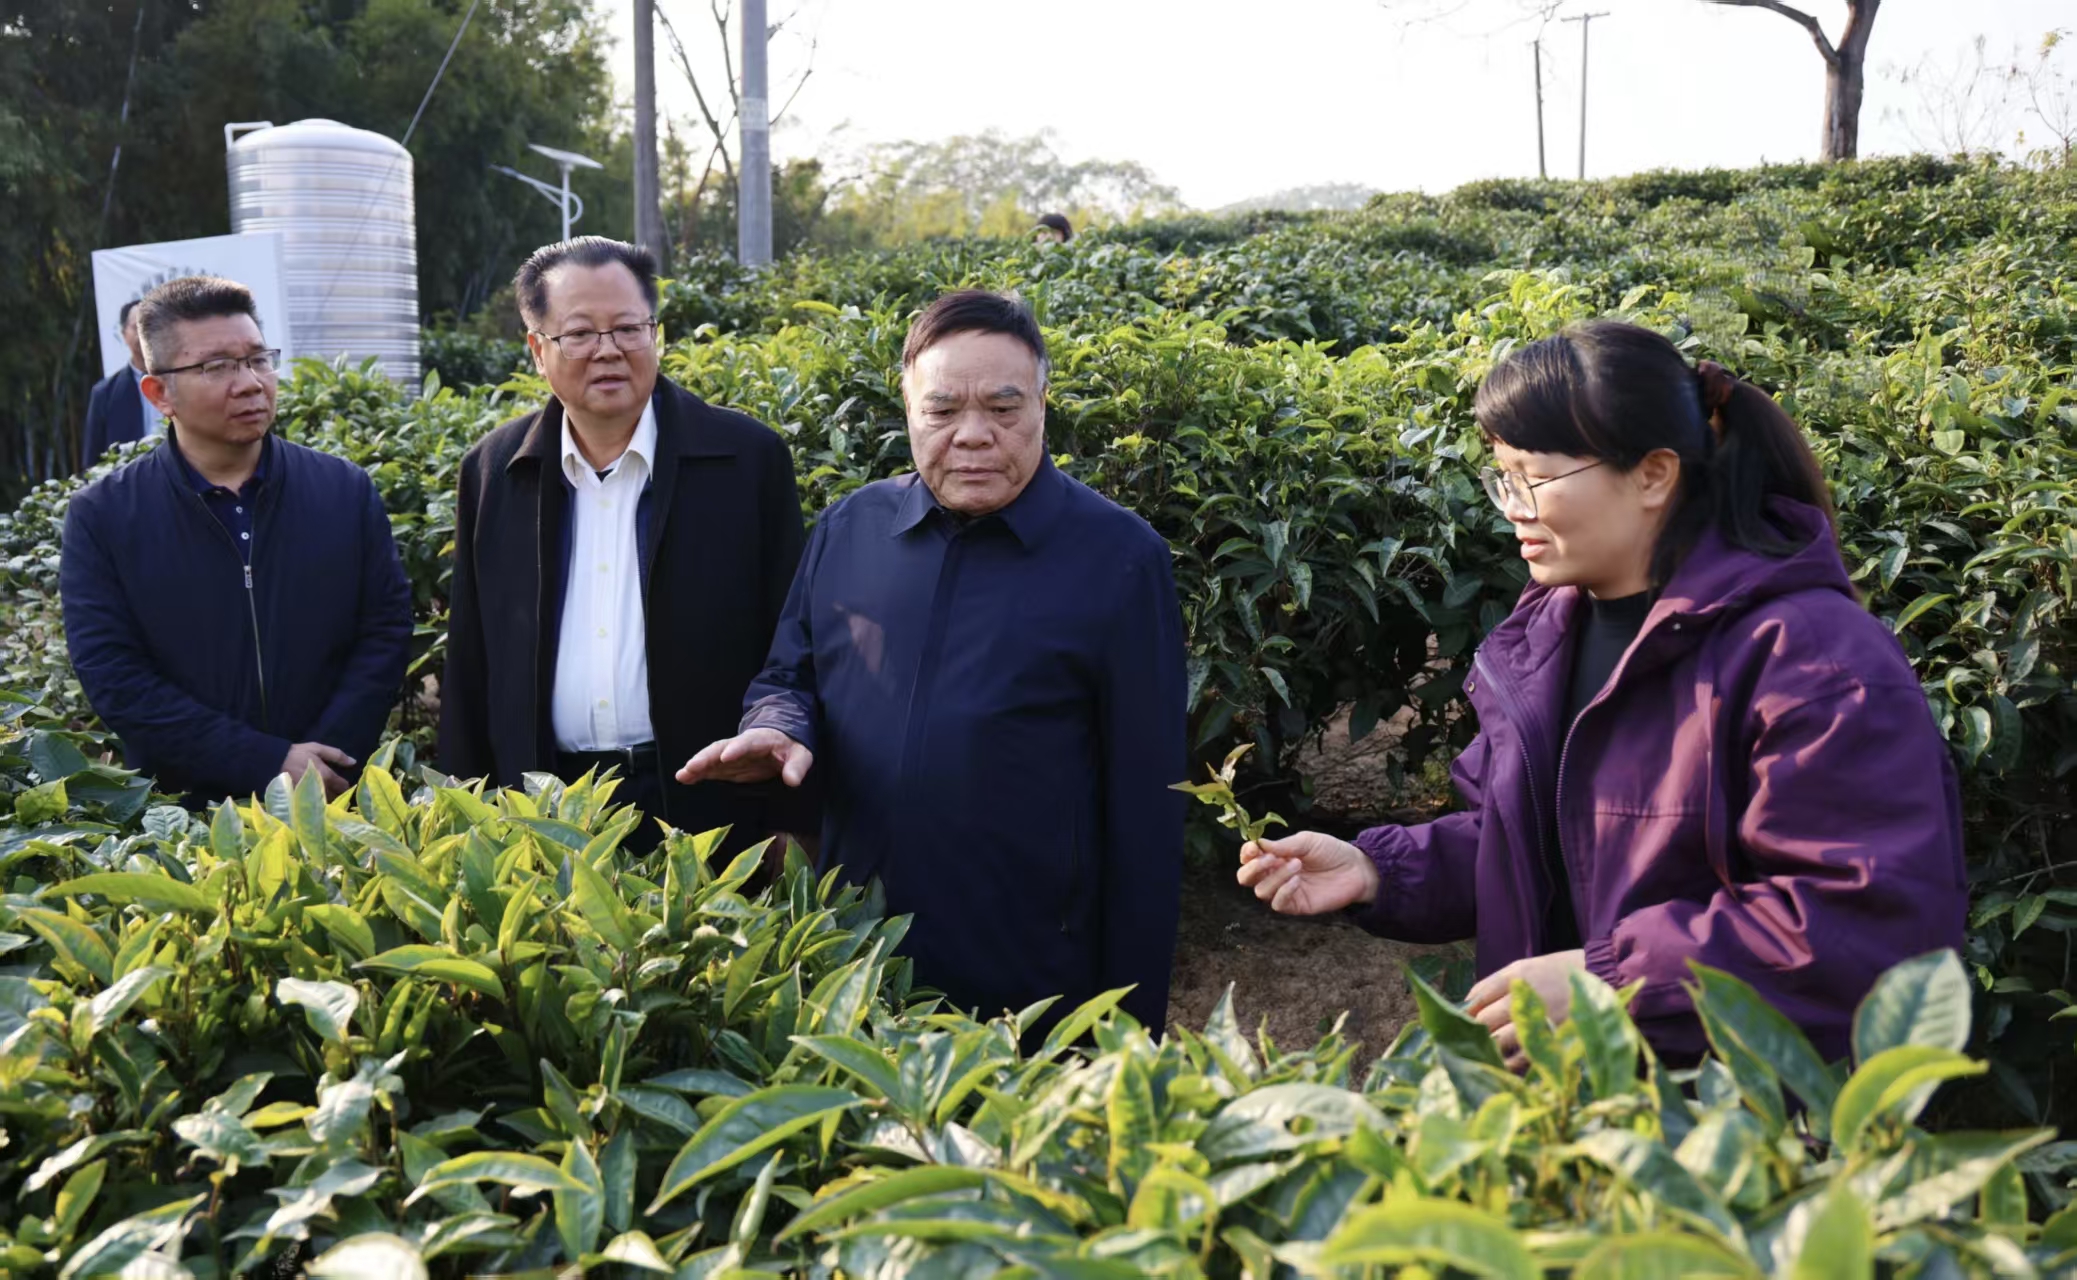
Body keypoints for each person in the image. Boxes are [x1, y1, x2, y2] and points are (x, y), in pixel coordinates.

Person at [1238, 320, 1966, 1068]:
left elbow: (1866, 920)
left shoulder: (1811, 658)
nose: (1512, 505)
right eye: (1501, 477)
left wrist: (1613, 982)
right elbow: (1527, 839)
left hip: (1732, 1112)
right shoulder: (1548, 632)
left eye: (1533, 477)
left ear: (1652, 475)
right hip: (1569, 1101)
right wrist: (1377, 870)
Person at [679, 290, 1188, 1035]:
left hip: (1030, 972)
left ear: (1043, 404)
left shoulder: (1118, 558)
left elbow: (1147, 806)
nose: (973, 435)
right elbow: (791, 674)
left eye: (1004, 408)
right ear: (908, 409)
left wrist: (1128, 1028)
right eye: (942, 410)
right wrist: (779, 725)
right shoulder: (851, 528)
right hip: (857, 956)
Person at [437, 237, 807, 852]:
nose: (608, 350)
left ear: (656, 334)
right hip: (545, 808)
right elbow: (471, 662)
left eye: (629, 329)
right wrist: (464, 819)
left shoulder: (746, 459)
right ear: (538, 351)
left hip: (709, 802)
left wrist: (792, 820)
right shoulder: (496, 471)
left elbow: (794, 642)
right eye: (580, 333)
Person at [61, 276, 413, 803]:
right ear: (159, 394)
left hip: (336, 795)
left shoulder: (342, 489)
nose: (250, 383)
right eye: (217, 367)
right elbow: (115, 676)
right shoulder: (105, 515)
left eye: (258, 359)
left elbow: (384, 629)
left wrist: (323, 759)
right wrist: (265, 761)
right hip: (183, 814)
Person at [80, 298, 166, 470]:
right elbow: (92, 462)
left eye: (149, 326)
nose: (143, 334)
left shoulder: (180, 381)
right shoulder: (104, 394)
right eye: (136, 327)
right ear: (123, 334)